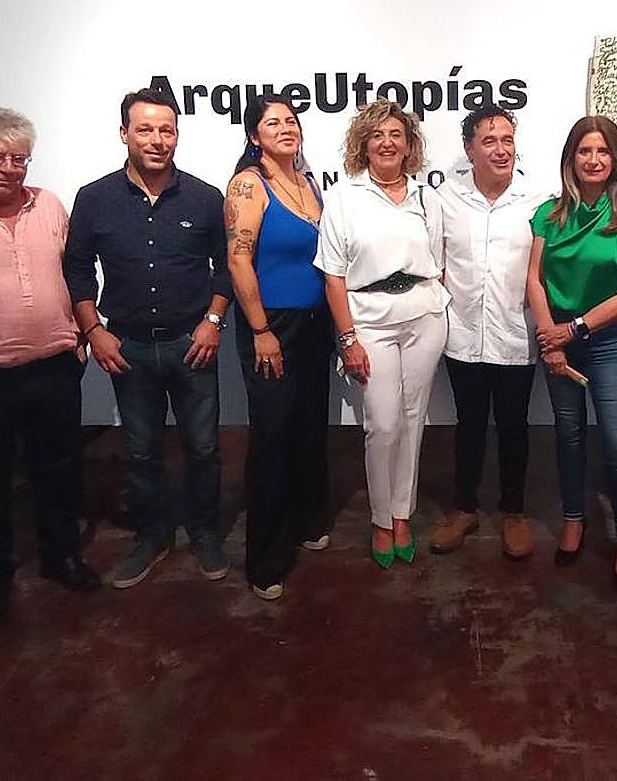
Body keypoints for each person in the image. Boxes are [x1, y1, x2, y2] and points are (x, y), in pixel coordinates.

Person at [64, 88, 231, 589]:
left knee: (204, 448)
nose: (158, 140)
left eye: (167, 130)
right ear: (124, 134)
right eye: (146, 129)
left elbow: (226, 267)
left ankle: (204, 532)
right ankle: (153, 536)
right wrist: (94, 330)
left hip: (192, 342)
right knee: (140, 451)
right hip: (128, 348)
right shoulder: (94, 199)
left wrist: (214, 321)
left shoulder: (204, 197)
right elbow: (75, 268)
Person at [0, 107, 99, 633]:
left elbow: (77, 270)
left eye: (19, 158)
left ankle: (61, 556)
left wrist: (83, 332)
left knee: (59, 470)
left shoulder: (49, 206)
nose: (9, 168)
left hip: (54, 365)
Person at [526, 115, 617, 592]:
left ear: (616, 159)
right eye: (585, 151)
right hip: (557, 341)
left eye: (603, 152)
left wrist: (573, 330)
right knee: (568, 435)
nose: (594, 159)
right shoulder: (549, 213)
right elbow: (534, 280)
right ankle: (574, 519)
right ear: (571, 158)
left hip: (609, 342)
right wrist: (549, 336)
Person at [315, 99, 448, 570]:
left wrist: (436, 302)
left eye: (396, 134)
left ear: (409, 145)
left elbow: (439, 265)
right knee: (383, 423)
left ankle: (402, 513)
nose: (387, 143)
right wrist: (348, 338)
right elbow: (332, 276)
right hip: (368, 319)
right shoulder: (344, 200)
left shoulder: (427, 198)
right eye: (377, 135)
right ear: (363, 145)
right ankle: (379, 517)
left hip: (424, 317)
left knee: (414, 421)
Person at [428, 105, 547, 559]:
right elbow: (434, 262)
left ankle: (513, 512)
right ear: (469, 149)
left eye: (507, 140)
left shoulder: (537, 200)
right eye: (490, 141)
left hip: (516, 333)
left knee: (515, 426)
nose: (501, 150)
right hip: (461, 334)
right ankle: (464, 508)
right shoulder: (447, 200)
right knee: (469, 424)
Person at [225, 94, 331, 601]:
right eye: (273, 123)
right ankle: (265, 558)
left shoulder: (308, 181)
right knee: (271, 434)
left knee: (310, 424)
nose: (286, 128)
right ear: (254, 136)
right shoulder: (250, 184)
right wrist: (261, 329)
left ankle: (306, 522)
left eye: (291, 121)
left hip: (315, 322)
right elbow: (239, 260)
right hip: (272, 326)